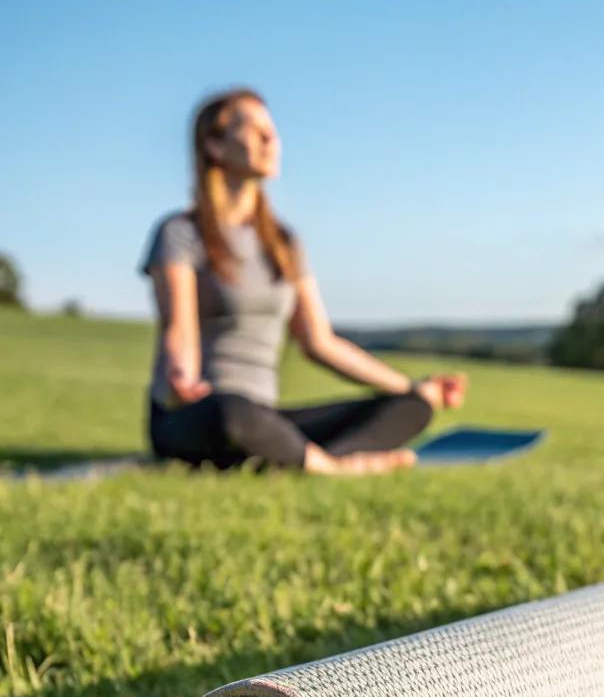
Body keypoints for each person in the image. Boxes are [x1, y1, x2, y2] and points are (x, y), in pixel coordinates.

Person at [139, 87, 467, 474]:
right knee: (232, 413)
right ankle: (331, 466)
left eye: (272, 130)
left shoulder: (284, 244)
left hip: (266, 419)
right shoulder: (180, 233)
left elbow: (320, 342)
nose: (271, 139)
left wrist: (412, 388)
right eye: (254, 129)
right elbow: (179, 328)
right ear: (214, 146)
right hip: (197, 413)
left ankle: (305, 461)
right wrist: (182, 378)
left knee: (412, 409)